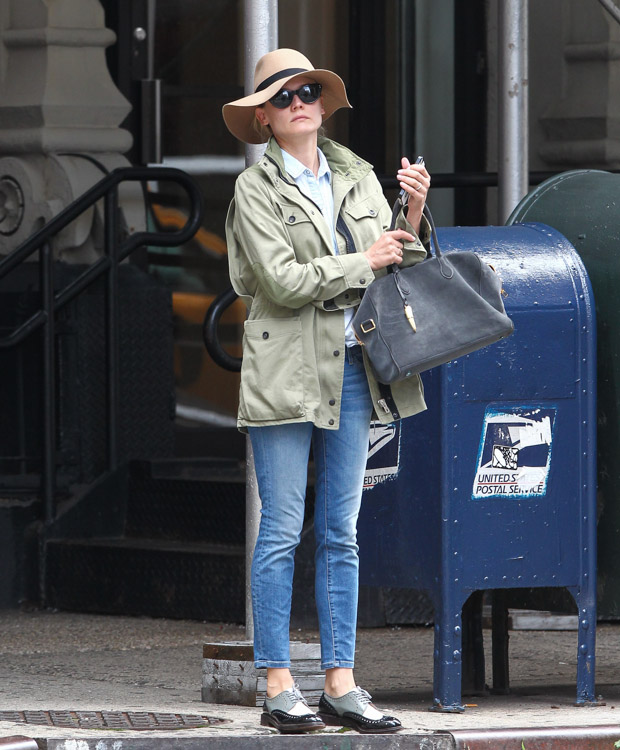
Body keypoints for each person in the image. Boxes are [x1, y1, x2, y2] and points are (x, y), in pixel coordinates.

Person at [222, 48, 431, 734]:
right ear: (264, 119)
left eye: (308, 90)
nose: (300, 102)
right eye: (283, 98)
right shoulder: (254, 191)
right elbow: (281, 282)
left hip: (351, 367)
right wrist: (361, 262)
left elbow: (398, 261)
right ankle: (278, 681)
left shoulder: (357, 175)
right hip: (285, 369)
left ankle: (341, 681)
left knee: (342, 531)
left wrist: (416, 213)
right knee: (282, 529)